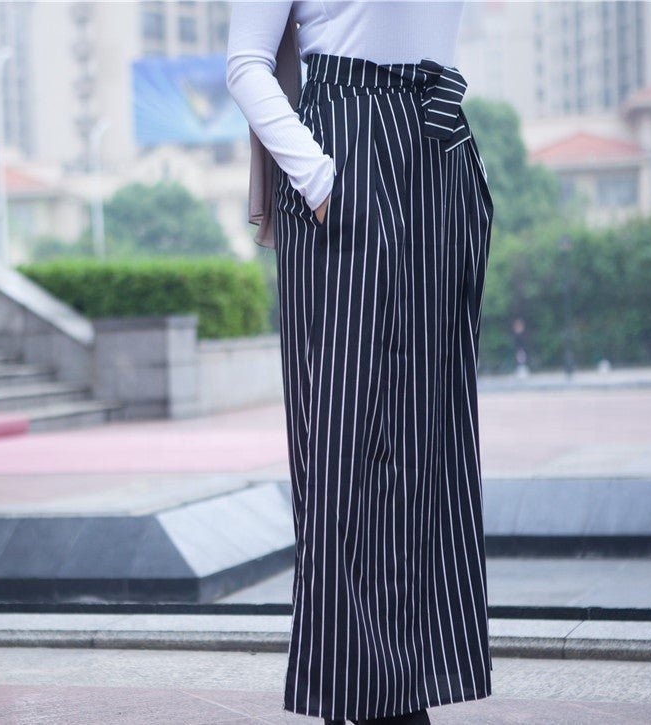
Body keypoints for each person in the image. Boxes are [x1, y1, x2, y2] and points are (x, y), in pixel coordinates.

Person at [226, 3, 494, 724]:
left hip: (438, 145)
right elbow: (245, 62)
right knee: (344, 435)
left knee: (432, 435)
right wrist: (319, 181)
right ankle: (363, 695)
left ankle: (407, 679)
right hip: (345, 145)